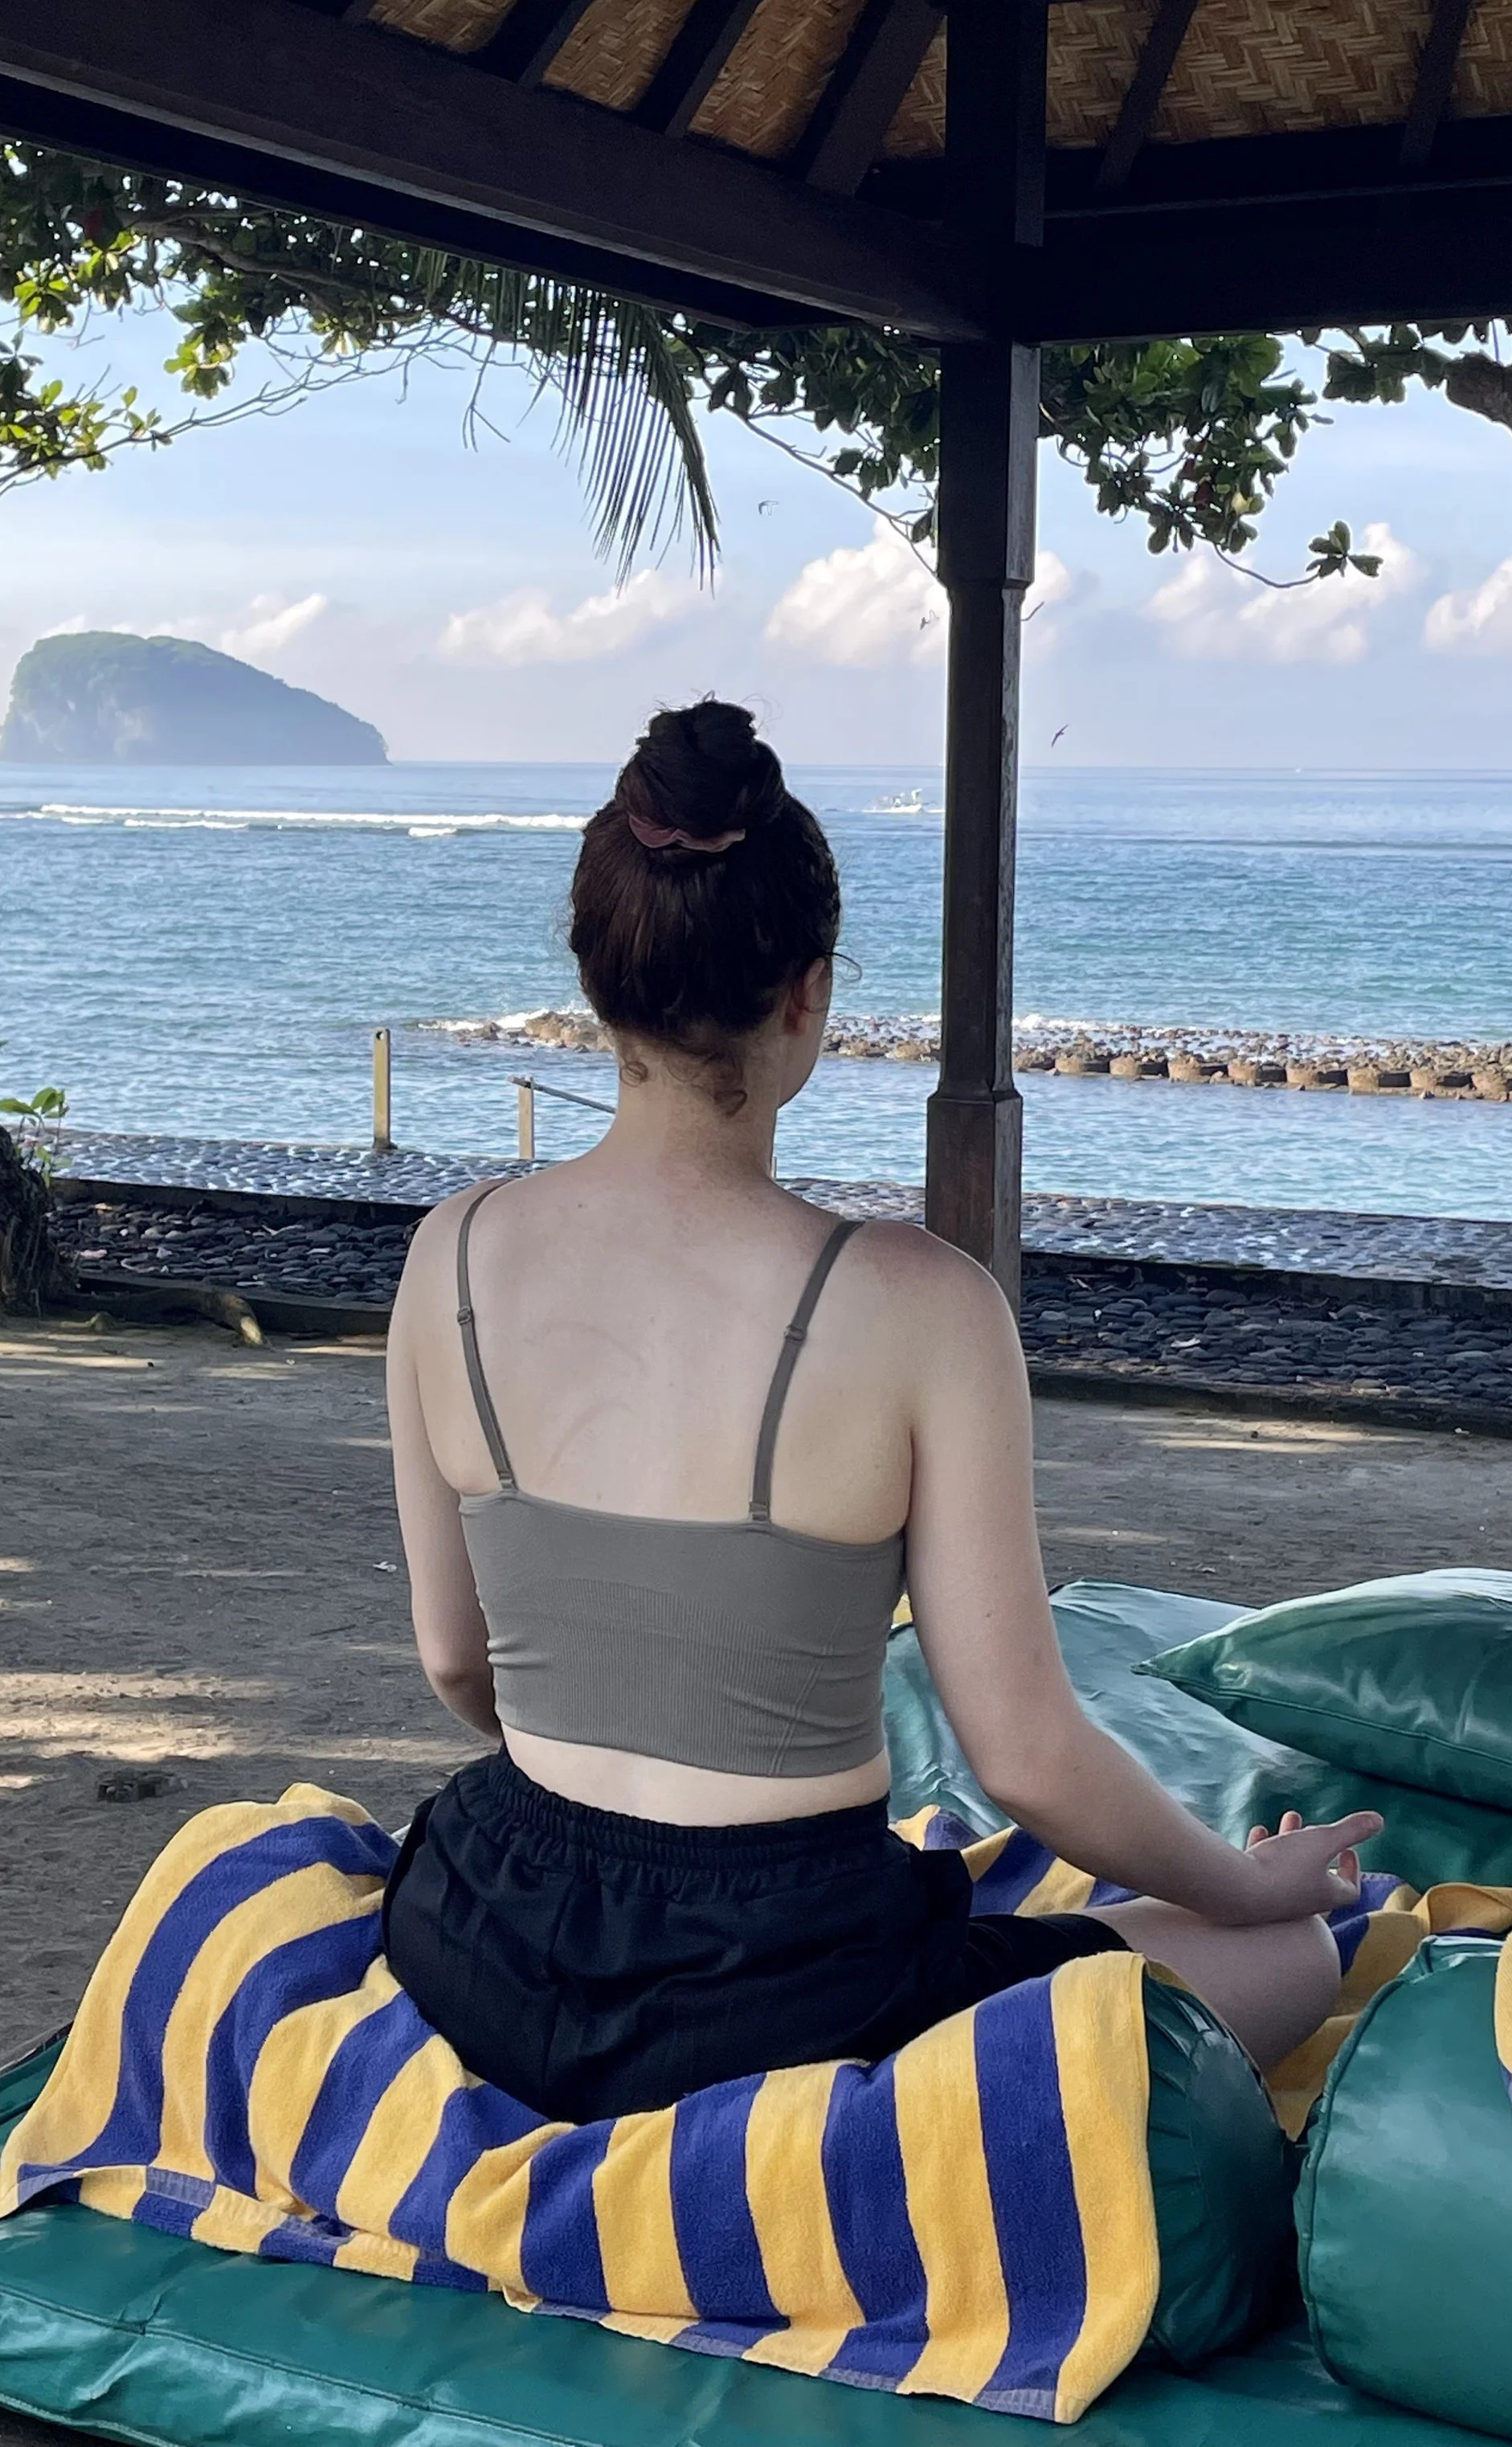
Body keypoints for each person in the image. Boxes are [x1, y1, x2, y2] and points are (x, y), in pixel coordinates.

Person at [383, 698, 1381, 2126]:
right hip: (780, 1985)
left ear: (598, 980)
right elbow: (1025, 1757)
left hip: (483, 1930)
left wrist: (604, 1805)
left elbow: (453, 1659)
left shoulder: (450, 1251)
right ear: (808, 995)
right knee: (1284, 1959)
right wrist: (1247, 1882)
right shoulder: (924, 1305)